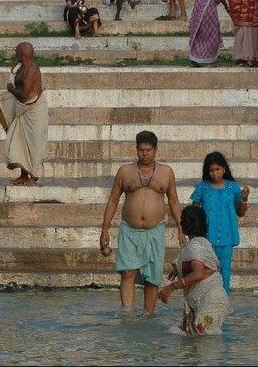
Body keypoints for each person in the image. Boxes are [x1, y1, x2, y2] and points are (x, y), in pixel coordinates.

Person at [100, 131, 186, 316]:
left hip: (155, 230)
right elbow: (113, 200)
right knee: (127, 272)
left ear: (155, 150)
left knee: (152, 277)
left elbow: (173, 201)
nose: (144, 153)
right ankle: (128, 313)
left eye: (148, 150)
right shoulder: (125, 171)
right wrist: (105, 230)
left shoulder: (166, 172)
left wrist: (181, 229)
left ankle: (149, 314)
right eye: (141, 150)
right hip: (129, 230)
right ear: (136, 150)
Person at [158, 206, 229, 336]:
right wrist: (178, 271)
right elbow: (201, 266)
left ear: (185, 225)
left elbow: (199, 273)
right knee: (193, 339)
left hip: (210, 298)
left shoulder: (196, 246)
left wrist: (171, 287)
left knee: (205, 344)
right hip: (206, 298)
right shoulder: (202, 243)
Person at [0, 42, 48, 186]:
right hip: (21, 109)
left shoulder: (32, 70)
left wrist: (9, 89)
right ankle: (23, 175)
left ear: (22, 53)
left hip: (34, 108)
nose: (14, 53)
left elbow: (23, 94)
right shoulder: (20, 67)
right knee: (19, 140)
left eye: (16, 51)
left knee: (33, 143)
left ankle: (33, 177)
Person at [189, 152, 248, 292]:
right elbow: (193, 212)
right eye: (211, 170)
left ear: (224, 169)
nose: (214, 173)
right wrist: (192, 234)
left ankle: (223, 303)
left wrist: (245, 199)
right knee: (206, 273)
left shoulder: (232, 187)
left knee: (224, 273)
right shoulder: (202, 187)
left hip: (227, 238)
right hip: (206, 238)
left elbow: (240, 212)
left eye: (217, 169)